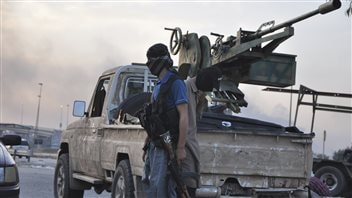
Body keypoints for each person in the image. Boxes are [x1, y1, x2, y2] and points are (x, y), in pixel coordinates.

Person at [142, 43, 189, 198]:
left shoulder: (176, 83)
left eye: (151, 60)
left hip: (168, 142)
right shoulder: (158, 85)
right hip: (155, 144)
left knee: (163, 187)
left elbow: (184, 116)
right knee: (151, 184)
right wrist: (147, 142)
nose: (149, 64)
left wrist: (180, 148)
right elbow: (155, 118)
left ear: (160, 61)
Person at [182, 66, 222, 197]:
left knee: (191, 184)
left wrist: (201, 101)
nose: (209, 89)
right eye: (210, 85)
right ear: (203, 79)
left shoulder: (198, 93)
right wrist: (179, 148)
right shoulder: (185, 88)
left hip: (191, 146)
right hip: (184, 146)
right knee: (187, 186)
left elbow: (196, 117)